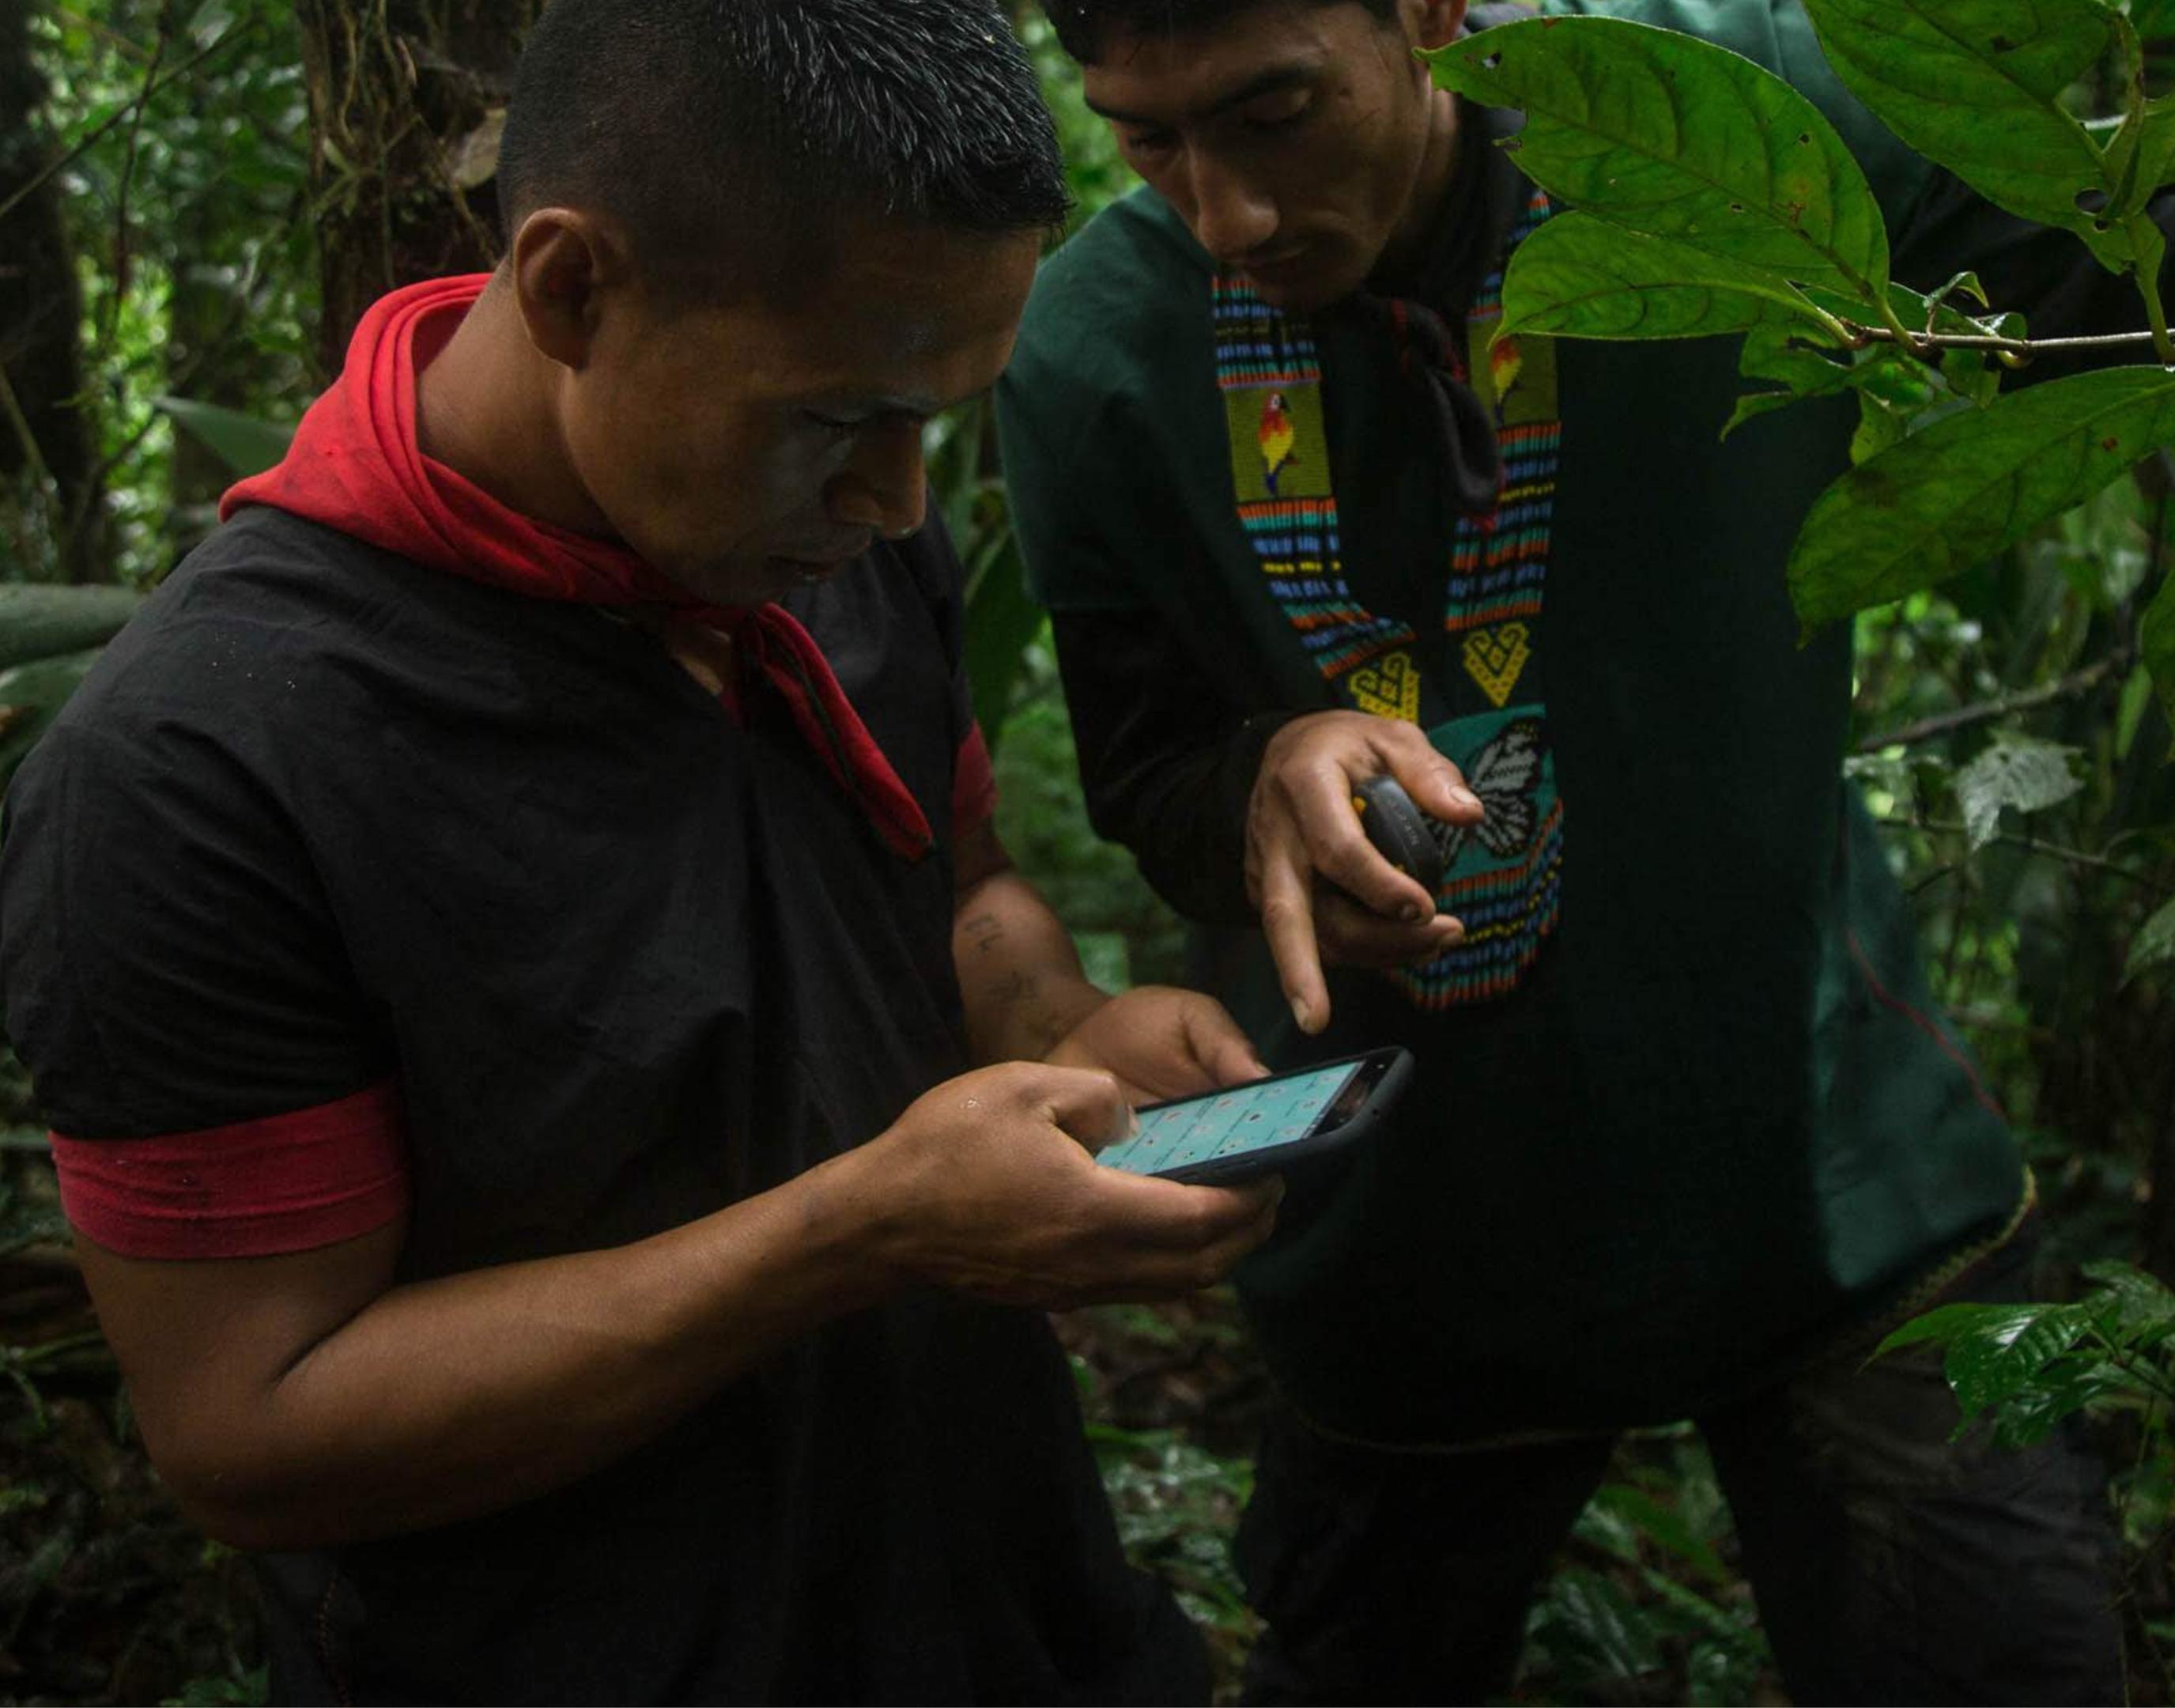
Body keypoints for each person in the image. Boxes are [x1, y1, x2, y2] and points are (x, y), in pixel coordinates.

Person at [998, 0, 2175, 1697]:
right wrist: (1262, 774)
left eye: (1273, 115)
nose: (1226, 211)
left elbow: (2129, 297)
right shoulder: (1100, 350)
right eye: (1149, 143)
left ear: (1433, 9)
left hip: (1827, 1159)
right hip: (1403, 1218)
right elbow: (1147, 756)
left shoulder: (1731, 121)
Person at [0, 2, 1287, 1700]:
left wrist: (1055, 1023)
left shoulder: (824, 535)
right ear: (571, 291)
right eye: (841, 421)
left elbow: (956, 884)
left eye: (941, 424)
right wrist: (860, 1233)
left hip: (994, 1596)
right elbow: (254, 1429)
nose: (904, 503)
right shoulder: (201, 765)